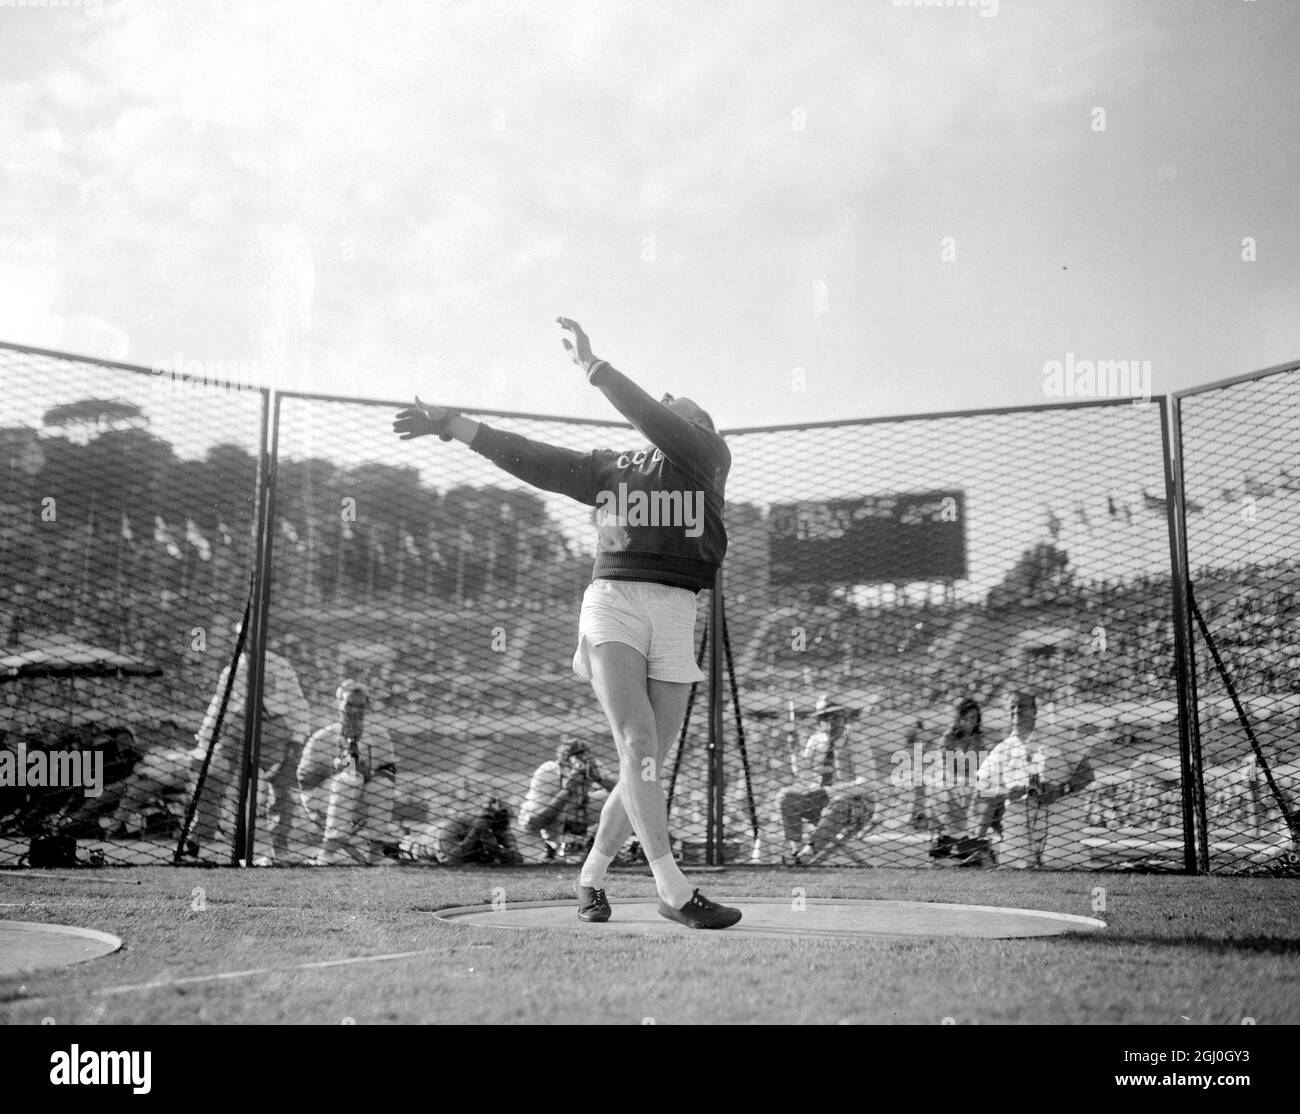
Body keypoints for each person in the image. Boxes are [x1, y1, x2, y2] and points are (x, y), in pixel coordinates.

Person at [394, 316, 742, 928]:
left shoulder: (708, 455)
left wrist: (595, 368)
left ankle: (589, 876)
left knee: (647, 764)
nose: (661, 403)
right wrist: (456, 425)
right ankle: (674, 889)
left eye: (674, 404)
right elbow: (540, 462)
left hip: (676, 608)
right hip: (614, 603)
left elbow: (654, 417)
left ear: (698, 426)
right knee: (636, 745)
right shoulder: (618, 467)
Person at [187, 626, 312, 866]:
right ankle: (198, 838)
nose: (245, 641)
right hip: (238, 729)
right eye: (241, 637)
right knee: (213, 776)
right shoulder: (233, 668)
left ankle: (280, 849)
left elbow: (298, 702)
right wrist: (205, 740)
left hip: (272, 729)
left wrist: (297, 737)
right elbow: (218, 705)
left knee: (280, 789)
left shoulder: (279, 666)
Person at [297, 679, 400, 865]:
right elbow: (303, 778)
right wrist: (333, 769)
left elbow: (390, 772)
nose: (355, 710)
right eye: (350, 704)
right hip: (323, 797)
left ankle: (376, 853)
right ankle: (328, 852)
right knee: (348, 780)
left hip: (363, 799)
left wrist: (369, 773)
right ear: (339, 705)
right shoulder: (322, 737)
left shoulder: (379, 735)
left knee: (379, 784)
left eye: (361, 706)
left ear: (367, 706)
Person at [773, 694, 874, 865]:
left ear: (844, 717)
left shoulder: (857, 741)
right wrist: (795, 750)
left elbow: (868, 783)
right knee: (787, 797)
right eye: (825, 717)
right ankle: (796, 850)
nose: (830, 722)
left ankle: (805, 856)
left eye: (835, 716)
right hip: (821, 801)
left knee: (840, 802)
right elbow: (803, 773)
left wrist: (829, 791)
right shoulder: (815, 740)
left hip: (856, 805)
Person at [519, 736, 618, 861]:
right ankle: (552, 847)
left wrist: (599, 779)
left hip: (586, 810)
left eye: (583, 754)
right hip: (557, 819)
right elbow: (533, 824)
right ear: (562, 762)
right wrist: (568, 790)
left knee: (618, 803)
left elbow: (627, 796)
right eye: (575, 756)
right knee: (533, 817)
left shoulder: (592, 764)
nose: (579, 762)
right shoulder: (548, 771)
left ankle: (606, 846)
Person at [913, 698, 984, 860]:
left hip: (969, 781)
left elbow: (981, 765)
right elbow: (949, 766)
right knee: (957, 791)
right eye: (966, 717)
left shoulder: (978, 739)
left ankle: (951, 841)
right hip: (945, 780)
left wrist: (968, 770)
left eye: (974, 718)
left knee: (977, 791)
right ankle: (962, 842)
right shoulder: (948, 738)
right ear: (959, 718)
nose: (970, 722)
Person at [433, 795, 524, 865]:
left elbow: (518, 859)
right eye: (487, 819)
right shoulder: (454, 827)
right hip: (433, 837)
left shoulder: (499, 828)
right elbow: (453, 859)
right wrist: (475, 833)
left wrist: (497, 850)